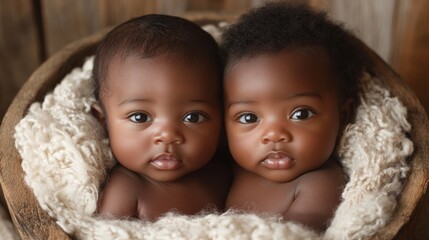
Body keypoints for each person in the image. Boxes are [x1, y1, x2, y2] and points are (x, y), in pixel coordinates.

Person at [220, 3, 369, 232]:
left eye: (301, 114)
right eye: (249, 118)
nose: (274, 134)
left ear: (343, 115)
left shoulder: (320, 185)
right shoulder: (230, 167)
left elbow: (291, 236)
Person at [91, 14, 230, 221]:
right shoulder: (126, 190)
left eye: (193, 117)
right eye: (140, 117)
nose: (167, 135)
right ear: (103, 121)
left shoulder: (224, 174)